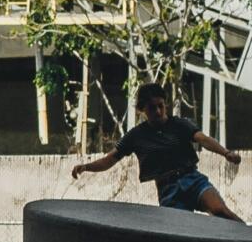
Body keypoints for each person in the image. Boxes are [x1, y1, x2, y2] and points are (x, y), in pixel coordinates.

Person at [72, 83, 243, 221]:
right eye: (152, 108)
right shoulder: (136, 135)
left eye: (161, 106)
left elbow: (203, 139)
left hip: (192, 179)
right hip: (168, 190)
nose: (158, 112)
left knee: (220, 211)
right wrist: (86, 166)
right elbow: (110, 159)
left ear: (165, 104)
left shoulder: (179, 124)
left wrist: (226, 153)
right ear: (143, 110)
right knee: (181, 235)